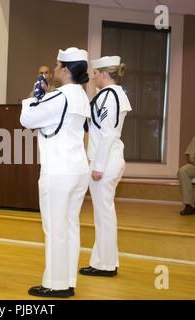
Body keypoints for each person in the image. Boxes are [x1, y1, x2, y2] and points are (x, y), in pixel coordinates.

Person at [20, 47, 90, 298]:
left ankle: (55, 284)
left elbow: (27, 119)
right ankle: (68, 279)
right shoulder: (82, 96)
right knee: (70, 226)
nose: (56, 68)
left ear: (66, 70)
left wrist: (35, 96)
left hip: (59, 170)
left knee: (54, 228)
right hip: (78, 169)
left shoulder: (60, 96)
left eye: (58, 65)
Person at [79, 56, 131, 278]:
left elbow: (108, 133)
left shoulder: (109, 96)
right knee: (104, 214)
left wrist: (98, 166)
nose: (92, 76)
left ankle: (105, 265)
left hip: (106, 160)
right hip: (108, 158)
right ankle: (105, 261)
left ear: (104, 74)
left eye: (95, 72)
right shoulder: (111, 95)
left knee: (104, 215)